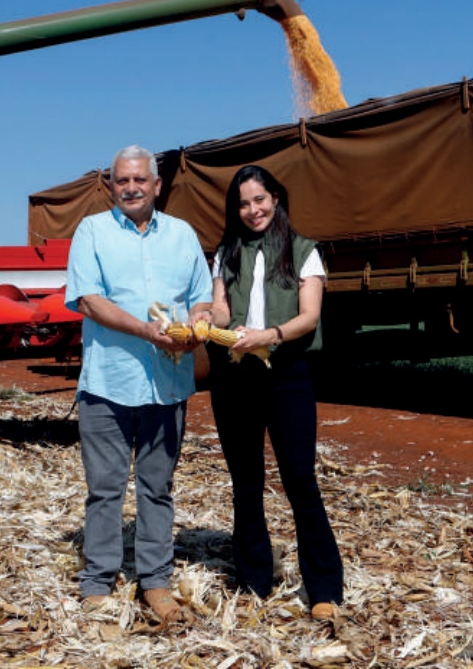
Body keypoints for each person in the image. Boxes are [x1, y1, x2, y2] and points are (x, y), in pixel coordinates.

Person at [64, 145, 212, 622]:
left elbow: (201, 298)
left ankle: (156, 582)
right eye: (121, 181)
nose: (130, 188)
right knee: (104, 489)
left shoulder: (183, 236)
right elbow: (88, 300)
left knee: (157, 488)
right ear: (112, 185)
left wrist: (197, 326)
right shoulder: (92, 231)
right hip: (108, 381)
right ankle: (98, 582)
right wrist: (146, 330)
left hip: (165, 385)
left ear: (156, 185)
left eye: (138, 181)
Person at [207, 163, 344, 620]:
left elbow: (309, 316)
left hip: (287, 374)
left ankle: (324, 589)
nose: (252, 210)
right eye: (243, 203)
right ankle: (253, 582)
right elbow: (222, 312)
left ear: (276, 199)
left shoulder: (304, 251)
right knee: (246, 483)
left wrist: (269, 335)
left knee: (299, 480)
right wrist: (208, 322)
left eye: (259, 200)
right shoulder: (226, 253)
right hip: (236, 375)